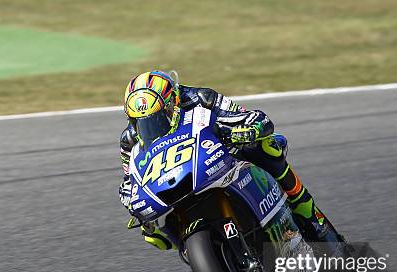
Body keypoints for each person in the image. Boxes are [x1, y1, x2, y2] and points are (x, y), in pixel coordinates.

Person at [118, 70, 344, 250]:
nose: (152, 126)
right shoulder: (129, 140)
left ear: (172, 103)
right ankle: (210, 260)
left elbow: (247, 117)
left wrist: (246, 129)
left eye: (158, 117)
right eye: (144, 121)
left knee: (267, 146)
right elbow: (131, 178)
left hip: (221, 155)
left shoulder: (201, 98)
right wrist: (130, 199)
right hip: (178, 178)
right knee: (154, 231)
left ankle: (309, 213)